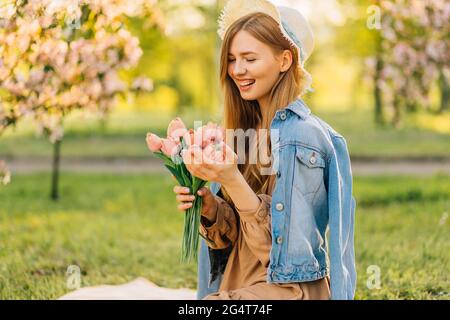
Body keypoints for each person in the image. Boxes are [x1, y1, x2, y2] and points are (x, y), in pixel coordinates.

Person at [174, 0, 356, 300]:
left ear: (284, 61)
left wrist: (233, 180)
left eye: (249, 58)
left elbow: (280, 254)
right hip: (241, 284)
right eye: (232, 59)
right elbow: (238, 239)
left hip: (290, 291)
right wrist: (208, 208)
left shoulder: (303, 138)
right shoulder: (242, 132)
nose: (237, 70)